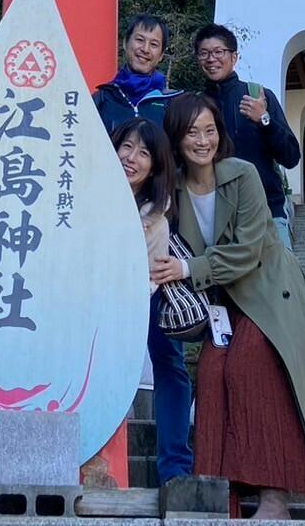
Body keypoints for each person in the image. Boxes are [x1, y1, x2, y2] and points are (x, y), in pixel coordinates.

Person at [154, 93, 305, 521]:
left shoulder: (241, 174)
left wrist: (188, 268)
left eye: (210, 130)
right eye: (192, 132)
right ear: (176, 138)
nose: (202, 140)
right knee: (211, 373)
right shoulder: (174, 190)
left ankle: (274, 497)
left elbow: (250, 249)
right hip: (224, 303)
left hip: (268, 291)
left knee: (248, 366)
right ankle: (228, 492)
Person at [112, 117, 192, 485]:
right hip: (97, 300)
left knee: (170, 366)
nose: (131, 157)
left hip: (148, 297)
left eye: (143, 153)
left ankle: (175, 469)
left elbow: (149, 276)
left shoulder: (157, 215)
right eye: (126, 146)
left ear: (156, 165)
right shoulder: (89, 195)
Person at [193, 23, 300, 249]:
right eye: (204, 53)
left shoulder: (258, 96)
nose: (211, 59)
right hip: (215, 221)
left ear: (234, 57)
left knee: (281, 282)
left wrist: (264, 119)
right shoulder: (194, 106)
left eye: (218, 52)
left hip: (267, 214)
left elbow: (291, 157)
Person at [93, 14, 183, 133]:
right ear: (125, 43)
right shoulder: (102, 99)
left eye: (154, 45)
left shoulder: (172, 103)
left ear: (161, 55)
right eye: (140, 40)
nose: (145, 49)